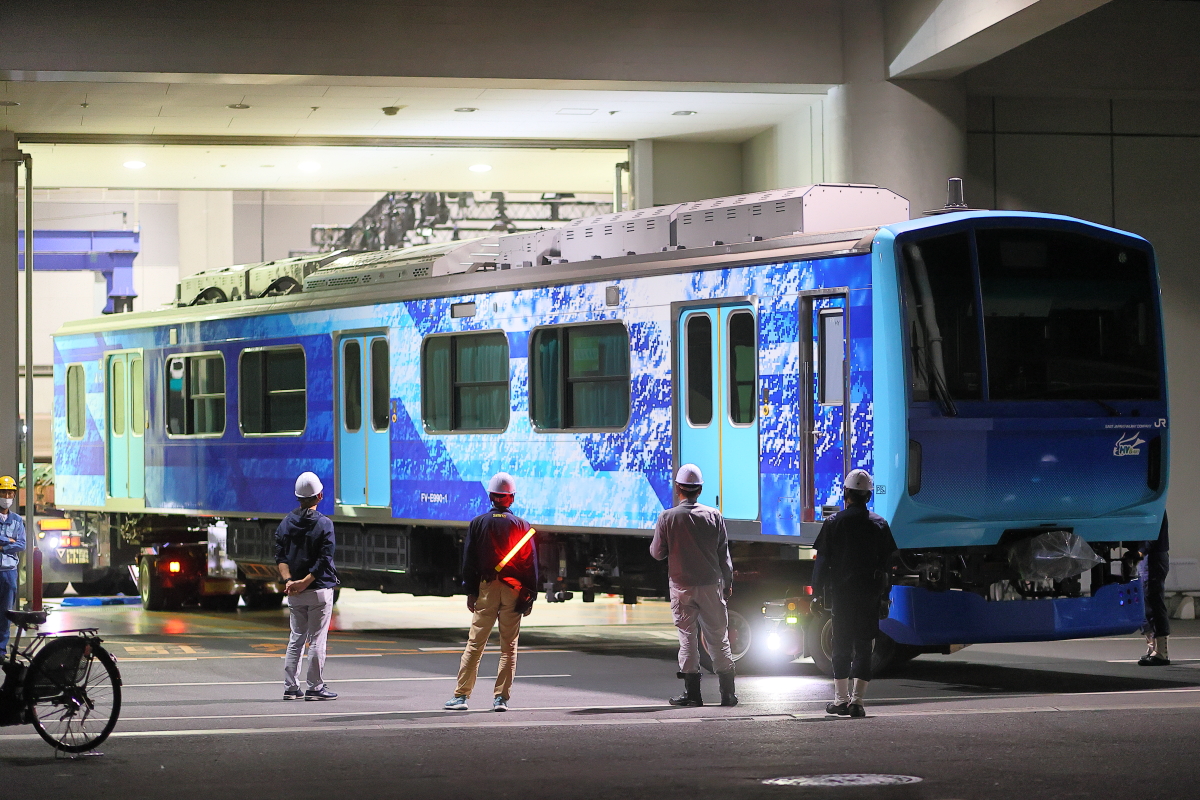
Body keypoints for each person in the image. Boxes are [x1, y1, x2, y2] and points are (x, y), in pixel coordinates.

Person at [444, 472, 537, 712]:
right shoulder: (522, 526)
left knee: (475, 643)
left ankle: (461, 696)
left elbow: (469, 561)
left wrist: (471, 591)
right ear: (512, 497)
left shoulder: (478, 523)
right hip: (513, 590)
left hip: (486, 588)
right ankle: (501, 699)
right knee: (509, 647)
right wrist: (529, 597)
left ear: (490, 496)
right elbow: (530, 565)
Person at [650, 464, 737, 708]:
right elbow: (724, 555)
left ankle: (693, 694)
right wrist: (728, 583)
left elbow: (657, 553)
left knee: (687, 638)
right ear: (699, 490)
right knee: (718, 638)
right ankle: (728, 694)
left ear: (678, 488)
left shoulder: (667, 517)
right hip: (711, 585)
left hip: (681, 586)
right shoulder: (714, 515)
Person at [813, 469, 897, 718]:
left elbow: (821, 562)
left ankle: (840, 700)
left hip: (841, 595)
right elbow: (889, 565)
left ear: (846, 494)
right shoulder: (879, 524)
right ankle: (857, 702)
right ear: (868, 496)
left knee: (840, 646)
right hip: (869, 594)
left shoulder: (833, 522)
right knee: (864, 647)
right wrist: (885, 596)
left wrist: (816, 594)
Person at [276, 472, 339, 701]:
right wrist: (305, 582)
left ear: (297, 497)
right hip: (318, 590)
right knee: (317, 640)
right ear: (319, 496)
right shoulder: (324, 524)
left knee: (296, 639)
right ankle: (315, 687)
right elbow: (324, 560)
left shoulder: (285, 523)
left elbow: (280, 557)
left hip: (294, 592)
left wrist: (290, 581)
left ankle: (291, 687)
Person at [1127, 513, 1171, 666]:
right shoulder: (1151, 506)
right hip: (1148, 557)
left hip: (1153, 556)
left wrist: (1140, 551)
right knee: (1145, 603)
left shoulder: (1154, 507)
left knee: (1153, 601)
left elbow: (1152, 533)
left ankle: (1161, 652)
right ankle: (1153, 647)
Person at [0, 476, 25, 656]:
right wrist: (8, 540)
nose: (7, 496)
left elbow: (21, 544)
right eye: (3, 492)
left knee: (5, 614)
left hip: (9, 572)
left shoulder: (17, 520)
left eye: (10, 493)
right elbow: (15, 543)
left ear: (14, 495)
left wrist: (3, 546)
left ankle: (0, 651)